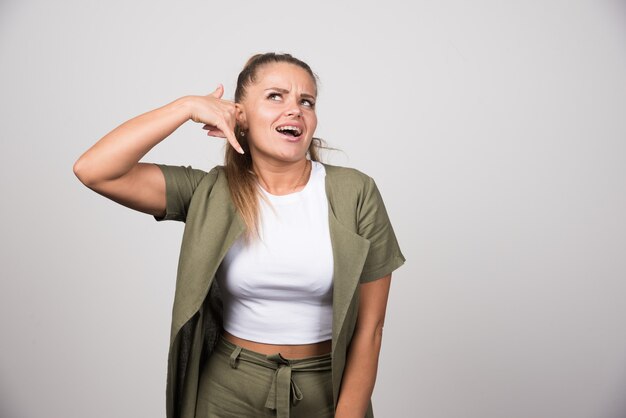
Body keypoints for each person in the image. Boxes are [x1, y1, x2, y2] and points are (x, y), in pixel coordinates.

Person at [73, 52, 406, 418]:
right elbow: (94, 170)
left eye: (306, 101)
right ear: (240, 115)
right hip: (227, 390)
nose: (295, 109)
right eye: (275, 96)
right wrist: (185, 107)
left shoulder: (355, 192)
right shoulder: (210, 191)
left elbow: (370, 328)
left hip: (325, 388)